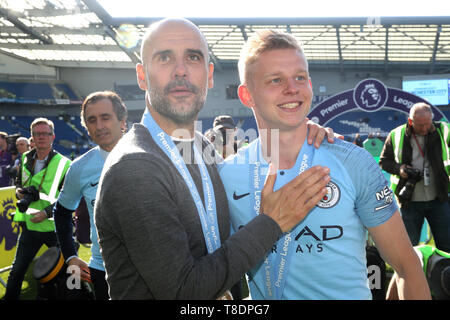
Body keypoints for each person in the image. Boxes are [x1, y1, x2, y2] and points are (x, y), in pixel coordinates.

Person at [94, 17, 334, 300]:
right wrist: (271, 222)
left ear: (208, 75)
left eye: (193, 58)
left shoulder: (197, 146)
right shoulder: (135, 168)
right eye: (164, 58)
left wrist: (301, 132)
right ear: (142, 76)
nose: (180, 70)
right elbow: (184, 292)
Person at [218, 29, 430, 299]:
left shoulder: (353, 161)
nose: (292, 88)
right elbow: (212, 275)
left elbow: (406, 266)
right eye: (275, 80)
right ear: (247, 95)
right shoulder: (227, 176)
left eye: (300, 77)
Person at [53, 91, 127, 300]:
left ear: (122, 120)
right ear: (86, 127)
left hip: (152, 266)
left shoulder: (150, 156)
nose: (99, 126)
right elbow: (61, 212)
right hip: (103, 270)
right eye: (92, 120)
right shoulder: (80, 168)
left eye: (106, 117)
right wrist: (70, 256)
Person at [3, 118, 71, 300]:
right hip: (30, 227)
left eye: (45, 134)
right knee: (17, 271)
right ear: (32, 136)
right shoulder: (26, 158)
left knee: (68, 273)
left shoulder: (65, 164)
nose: (41, 137)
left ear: (53, 137)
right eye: (37, 134)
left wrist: (46, 213)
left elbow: (70, 198)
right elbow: (19, 182)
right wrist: (19, 191)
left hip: (55, 228)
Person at [379, 103, 450, 252]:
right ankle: (411, 275)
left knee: (446, 246)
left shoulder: (444, 130)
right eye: (420, 125)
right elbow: (384, 162)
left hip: (439, 199)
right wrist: (401, 169)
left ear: (432, 118)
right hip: (409, 201)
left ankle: (444, 274)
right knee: (409, 249)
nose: (424, 129)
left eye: (427, 124)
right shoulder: (396, 135)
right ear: (410, 121)